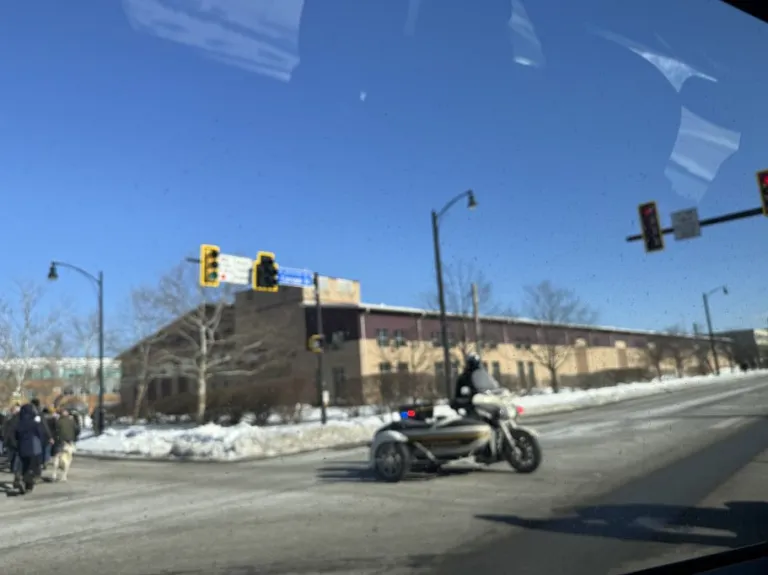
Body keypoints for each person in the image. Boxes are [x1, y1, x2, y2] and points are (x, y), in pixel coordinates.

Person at [13, 403, 47, 494]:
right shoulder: (34, 423)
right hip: (33, 448)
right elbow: (41, 434)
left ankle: (22, 479)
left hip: (22, 447)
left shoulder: (19, 423)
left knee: (24, 466)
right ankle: (27, 485)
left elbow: (16, 435)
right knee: (31, 467)